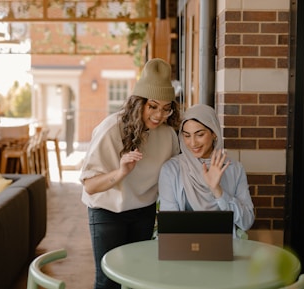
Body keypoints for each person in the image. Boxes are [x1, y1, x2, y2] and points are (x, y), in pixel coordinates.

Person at [80, 58, 181, 289]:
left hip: (143, 211)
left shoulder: (167, 135)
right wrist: (121, 171)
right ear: (139, 103)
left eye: (166, 108)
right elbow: (90, 186)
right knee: (108, 281)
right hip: (107, 211)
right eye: (153, 106)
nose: (159, 115)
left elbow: (174, 175)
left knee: (138, 278)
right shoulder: (111, 129)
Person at [158, 104, 254, 237]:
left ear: (214, 133)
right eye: (187, 136)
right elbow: (169, 226)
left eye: (200, 134)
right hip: (183, 247)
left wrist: (217, 191)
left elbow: (247, 222)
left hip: (224, 247)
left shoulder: (234, 169)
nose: (193, 143)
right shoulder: (171, 170)